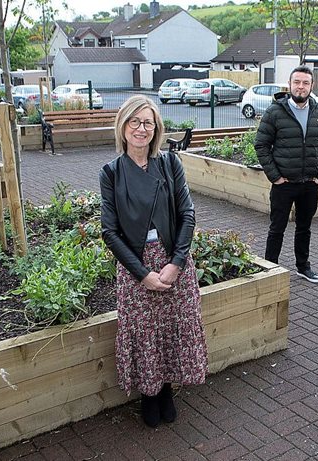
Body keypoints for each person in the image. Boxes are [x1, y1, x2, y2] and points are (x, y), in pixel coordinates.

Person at [99, 95, 207, 427]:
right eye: (135, 121)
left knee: (173, 327)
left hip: (172, 258)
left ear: (156, 128)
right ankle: (149, 394)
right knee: (144, 331)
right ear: (123, 126)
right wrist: (143, 274)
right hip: (136, 265)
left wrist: (176, 263)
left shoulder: (170, 164)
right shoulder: (111, 173)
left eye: (148, 122)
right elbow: (110, 231)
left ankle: (167, 389)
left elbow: (187, 215)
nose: (141, 129)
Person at [255, 65, 318, 283]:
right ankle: (269, 269)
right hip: (284, 184)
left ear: (312, 86)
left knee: (304, 228)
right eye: (297, 82)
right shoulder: (275, 112)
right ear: (289, 84)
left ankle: (303, 266)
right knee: (276, 229)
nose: (301, 87)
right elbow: (261, 145)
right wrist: (275, 177)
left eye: (305, 83)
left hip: (310, 183)